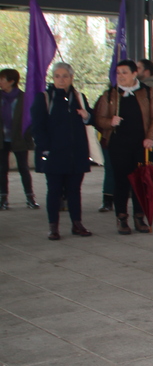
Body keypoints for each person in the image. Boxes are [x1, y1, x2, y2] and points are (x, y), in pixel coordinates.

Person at [94, 59, 153, 235]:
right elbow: (98, 119)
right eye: (118, 73)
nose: (120, 76)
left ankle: (139, 217)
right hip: (118, 145)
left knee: (140, 182)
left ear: (134, 74)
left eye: (124, 72)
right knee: (121, 182)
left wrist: (151, 137)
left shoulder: (147, 92)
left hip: (141, 145)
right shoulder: (110, 95)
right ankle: (122, 218)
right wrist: (110, 122)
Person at [30, 63, 92, 239]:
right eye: (57, 76)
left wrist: (87, 116)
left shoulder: (79, 97)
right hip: (54, 154)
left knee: (74, 191)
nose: (61, 80)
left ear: (71, 78)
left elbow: (90, 118)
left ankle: (77, 224)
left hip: (76, 154)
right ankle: (53, 227)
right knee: (54, 191)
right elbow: (37, 127)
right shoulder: (44, 98)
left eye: (65, 76)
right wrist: (45, 149)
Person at [0, 68, 38, 210]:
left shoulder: (24, 98)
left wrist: (28, 134)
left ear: (11, 81)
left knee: (23, 168)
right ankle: (3, 199)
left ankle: (30, 198)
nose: (0, 82)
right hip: (2, 139)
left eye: (2, 79)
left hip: (19, 138)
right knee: (2, 169)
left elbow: (31, 118)